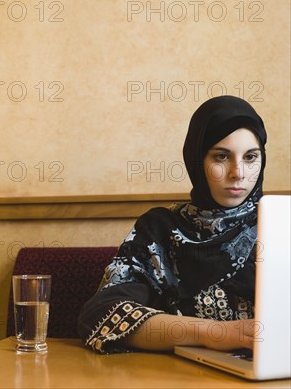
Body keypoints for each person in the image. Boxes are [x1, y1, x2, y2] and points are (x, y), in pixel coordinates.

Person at [78, 95, 267, 354]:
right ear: (196, 160)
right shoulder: (161, 230)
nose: (239, 172)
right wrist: (213, 333)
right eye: (221, 156)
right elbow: (100, 316)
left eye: (250, 157)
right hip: (178, 376)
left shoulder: (278, 227)